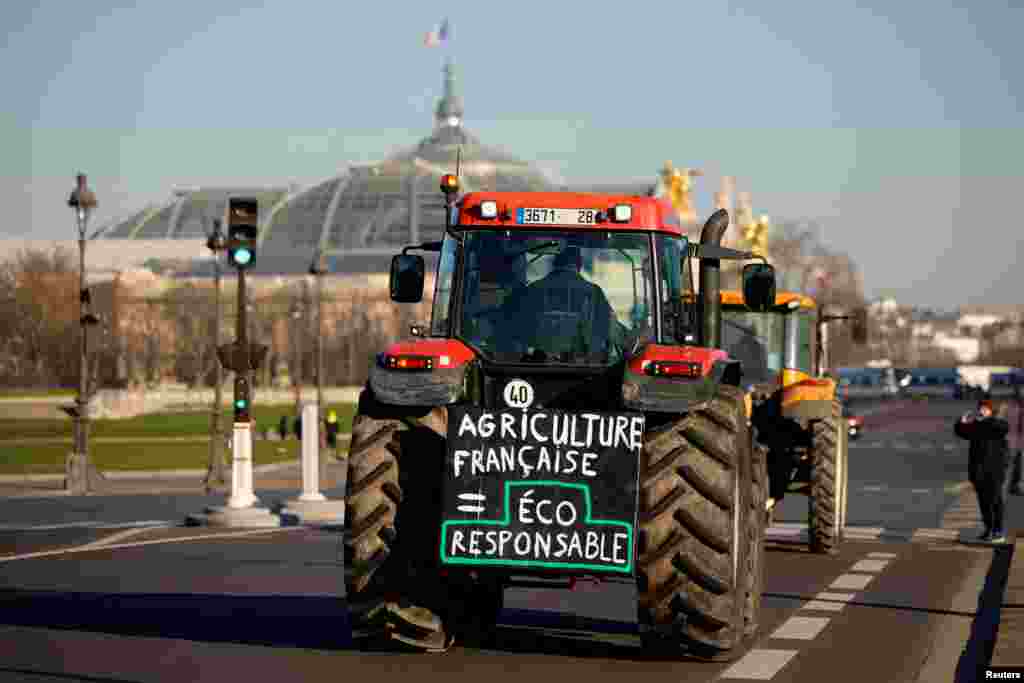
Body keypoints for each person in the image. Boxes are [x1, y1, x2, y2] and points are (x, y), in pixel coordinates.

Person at [507, 246, 620, 356]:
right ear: (579, 264)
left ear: (554, 263)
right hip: (583, 366)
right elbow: (609, 327)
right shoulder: (594, 292)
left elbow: (517, 330)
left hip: (537, 365)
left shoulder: (533, 289)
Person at [955, 396, 1011, 543]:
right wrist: (961, 421)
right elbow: (961, 432)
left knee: (995, 500)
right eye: (980, 408)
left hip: (995, 470)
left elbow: (1003, 428)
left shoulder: (997, 424)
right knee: (983, 502)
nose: (981, 410)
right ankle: (988, 528)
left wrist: (985, 419)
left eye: (985, 408)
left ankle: (998, 531)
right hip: (978, 471)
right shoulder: (977, 425)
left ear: (991, 411)